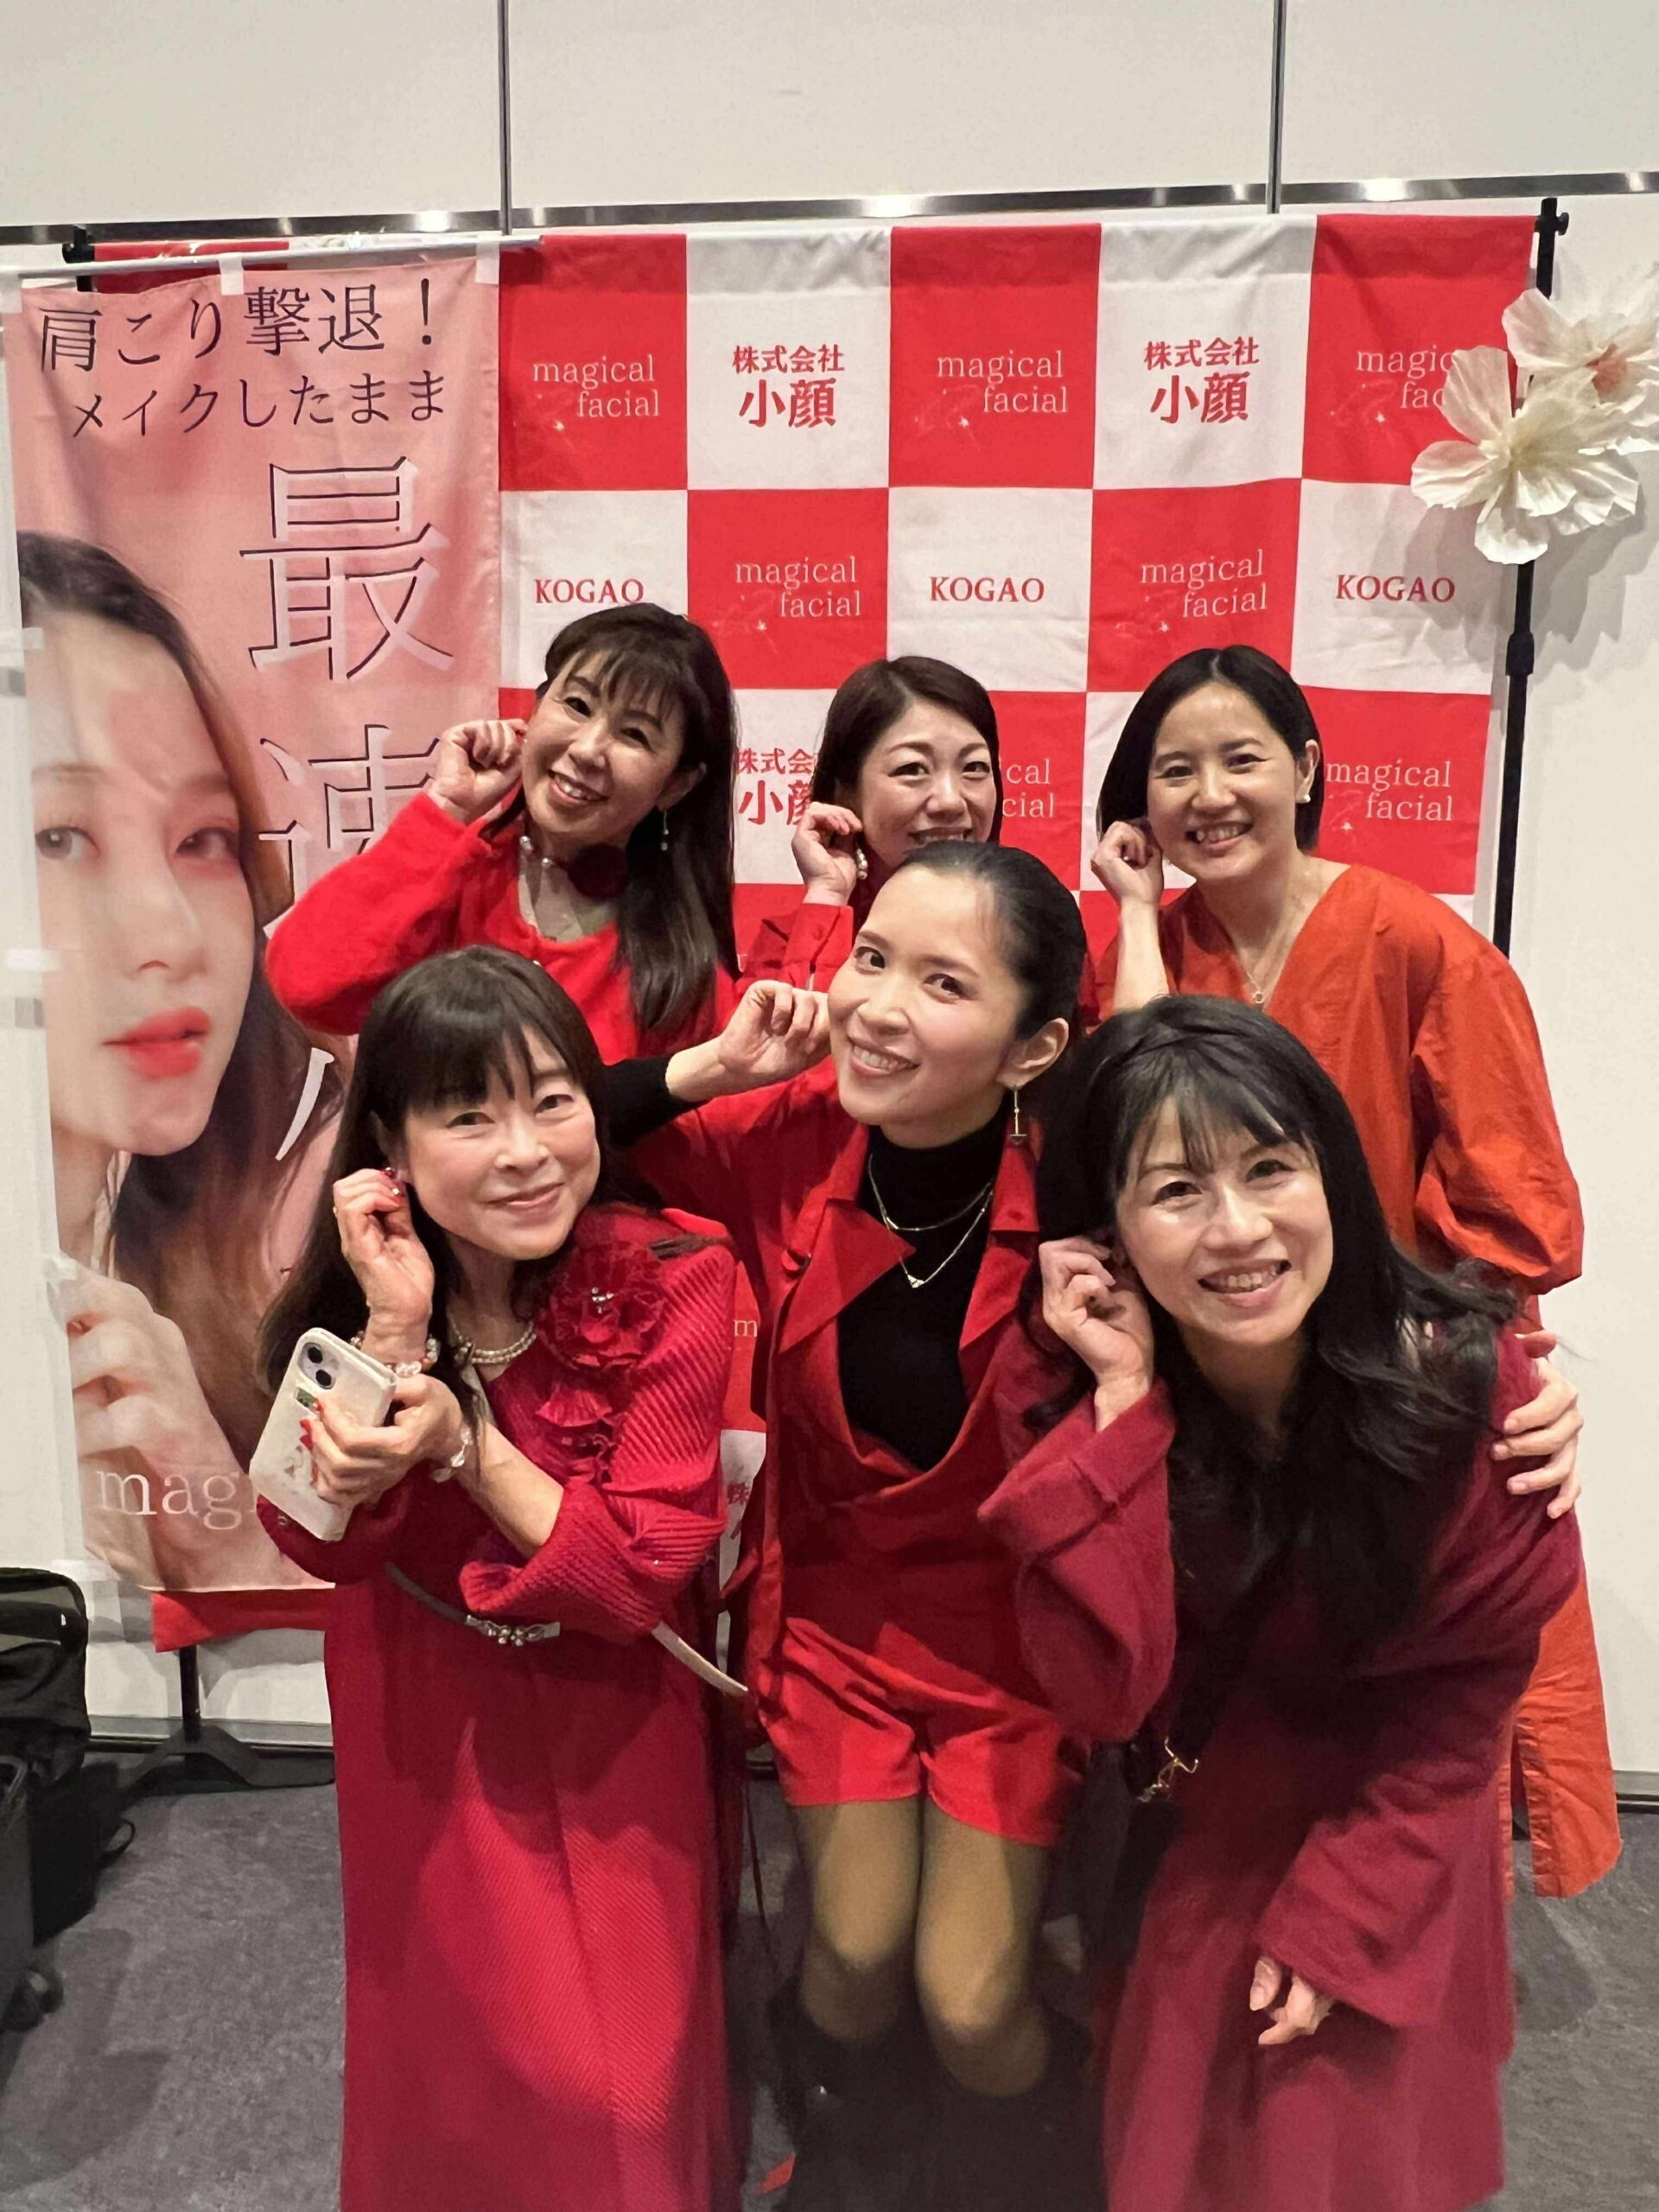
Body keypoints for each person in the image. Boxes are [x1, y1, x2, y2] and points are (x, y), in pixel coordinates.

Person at [982, 997, 1584, 2212]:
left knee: (1336, 2149)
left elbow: (1467, 1695)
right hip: (1203, 1826)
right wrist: (1124, 1410)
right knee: (1182, 2153)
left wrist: (1348, 1913)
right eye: (1176, 1191)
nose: (1240, 1229)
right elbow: (1103, 1692)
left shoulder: (1463, 1384)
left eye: (1270, 1168)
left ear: (1334, 1173)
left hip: (1395, 1818)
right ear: (1104, 1234)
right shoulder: (1060, 1382)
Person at [1090, 643, 1616, 1897]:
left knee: (1405, 1719)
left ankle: (1383, 1932)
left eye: (1240, 759)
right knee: (1229, 1746)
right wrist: (1131, 914)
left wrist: (1482, 1371)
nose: (1209, 794)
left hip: (1385, 1383)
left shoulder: (1416, 941)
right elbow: (1121, 1124)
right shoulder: (1144, 948)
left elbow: (1513, 1207)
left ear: (1308, 768)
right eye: (1174, 770)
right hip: (1211, 1379)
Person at [622, 842, 1098, 2211]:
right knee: (851, 1958)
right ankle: (851, 2169)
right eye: (874, 958)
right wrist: (711, 1068)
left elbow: (1273, 1277)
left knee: (973, 2001)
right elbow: (564, 1142)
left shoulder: (1088, 1186)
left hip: (1016, 1646)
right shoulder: (795, 1133)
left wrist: (1484, 1385)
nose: (878, 1005)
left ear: (1033, 1047)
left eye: (943, 983)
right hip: (837, 1625)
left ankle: (1033, 2177)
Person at [256, 944, 747, 2212]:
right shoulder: (370, 1293)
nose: (527, 1152)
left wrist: (465, 1449)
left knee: (624, 2076)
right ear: (391, 1147)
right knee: (460, 2045)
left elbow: (635, 1577)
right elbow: (312, 1536)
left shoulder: (680, 1271)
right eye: (470, 1116)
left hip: (613, 1714)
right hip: (425, 1708)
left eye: (553, 1101)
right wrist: (395, 1329)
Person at [20, 531, 338, 1591]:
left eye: (203, 839)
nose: (169, 932)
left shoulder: (238, 1301)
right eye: (60, 837)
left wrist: (227, 1537)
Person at [266, 602, 742, 1056]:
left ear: (676, 785)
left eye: (634, 734)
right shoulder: (450, 873)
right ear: (536, 706)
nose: (587, 749)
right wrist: (447, 808)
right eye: (578, 705)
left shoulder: (679, 964)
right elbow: (307, 987)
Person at [746, 655, 1099, 1020]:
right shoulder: (791, 939)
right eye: (912, 769)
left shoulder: (1038, 929)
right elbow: (782, 1051)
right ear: (846, 794)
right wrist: (828, 895)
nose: (950, 800)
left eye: (974, 767)